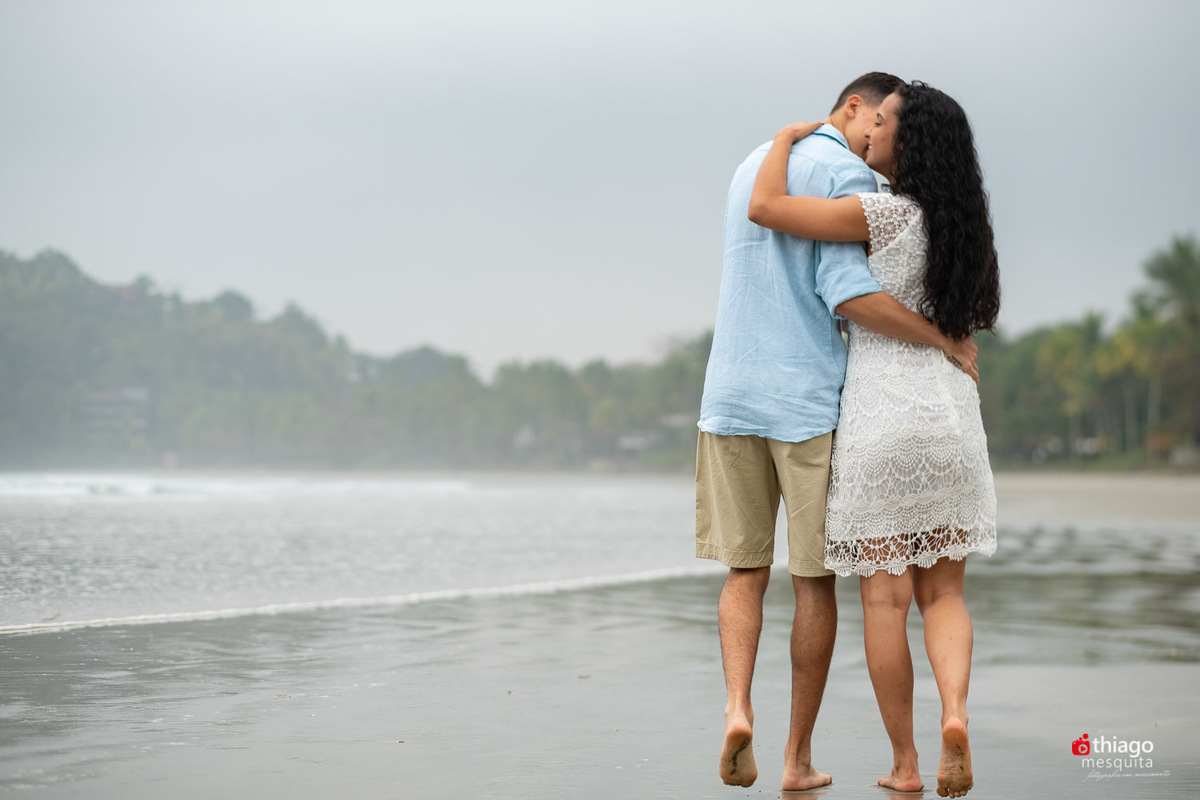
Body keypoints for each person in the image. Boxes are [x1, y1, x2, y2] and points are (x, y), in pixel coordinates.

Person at [695, 72, 979, 793]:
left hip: (753, 398)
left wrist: (786, 137)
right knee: (879, 589)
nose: (874, 136)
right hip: (879, 410)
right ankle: (823, 750)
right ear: (854, 109)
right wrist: (945, 343)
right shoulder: (913, 203)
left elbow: (770, 217)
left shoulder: (770, 170)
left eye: (886, 126)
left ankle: (751, 712)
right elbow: (865, 294)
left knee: (759, 573)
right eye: (872, 122)